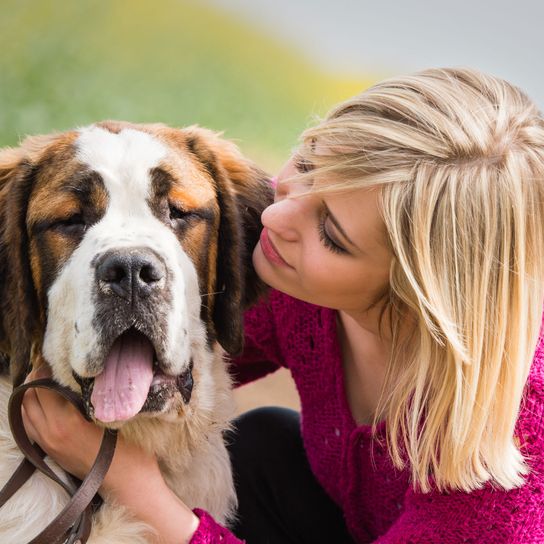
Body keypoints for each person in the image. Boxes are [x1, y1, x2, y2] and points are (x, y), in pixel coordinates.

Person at [21, 67, 544, 543]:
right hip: (342, 518)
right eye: (311, 163)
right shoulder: (291, 271)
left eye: (332, 235)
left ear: (415, 294)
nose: (277, 215)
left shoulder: (509, 464)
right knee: (265, 443)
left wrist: (131, 483)